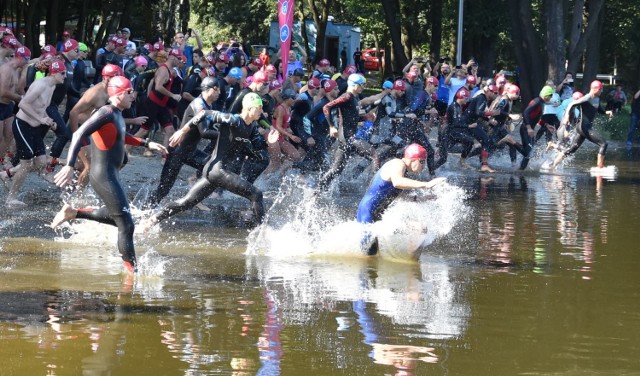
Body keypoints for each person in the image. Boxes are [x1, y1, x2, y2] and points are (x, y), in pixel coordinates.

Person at [51, 76, 167, 273]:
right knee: (127, 226)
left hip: (110, 174)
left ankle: (74, 213)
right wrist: (69, 165)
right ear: (118, 93)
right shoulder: (105, 112)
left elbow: (121, 135)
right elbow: (79, 134)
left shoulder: (117, 113)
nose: (133, 95)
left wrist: (147, 143)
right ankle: (132, 273)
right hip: (103, 175)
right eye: (129, 92)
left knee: (120, 218)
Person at [141, 92, 268, 229]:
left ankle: (151, 220)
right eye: (259, 107)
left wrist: (269, 142)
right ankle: (262, 231)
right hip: (218, 171)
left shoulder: (252, 128)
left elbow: (258, 149)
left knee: (186, 203)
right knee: (257, 194)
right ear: (249, 108)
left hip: (215, 173)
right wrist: (182, 131)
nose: (262, 111)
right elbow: (205, 114)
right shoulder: (233, 120)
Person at [356, 144, 445, 255]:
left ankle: (410, 263)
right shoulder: (397, 164)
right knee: (369, 256)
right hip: (367, 214)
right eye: (422, 162)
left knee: (420, 228)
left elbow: (397, 196)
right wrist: (426, 185)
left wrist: (420, 198)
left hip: (379, 215)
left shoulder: (402, 171)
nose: (424, 167)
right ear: (413, 160)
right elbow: (397, 182)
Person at [4, 59, 66, 207]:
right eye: (63, 73)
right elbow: (23, 103)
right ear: (54, 73)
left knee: (41, 162)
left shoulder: (52, 86)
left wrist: (48, 119)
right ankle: (10, 199)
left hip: (34, 127)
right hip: (22, 125)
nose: (65, 76)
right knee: (27, 164)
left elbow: (42, 106)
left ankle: (7, 173)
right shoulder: (41, 85)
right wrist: (40, 119)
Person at [552, 80, 613, 170]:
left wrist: (606, 112)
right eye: (600, 89)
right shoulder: (587, 98)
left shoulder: (597, 98)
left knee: (571, 150)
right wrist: (566, 116)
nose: (602, 91)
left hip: (583, 129)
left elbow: (599, 109)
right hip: (584, 127)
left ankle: (552, 165)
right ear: (595, 89)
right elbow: (572, 104)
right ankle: (599, 169)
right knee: (604, 144)